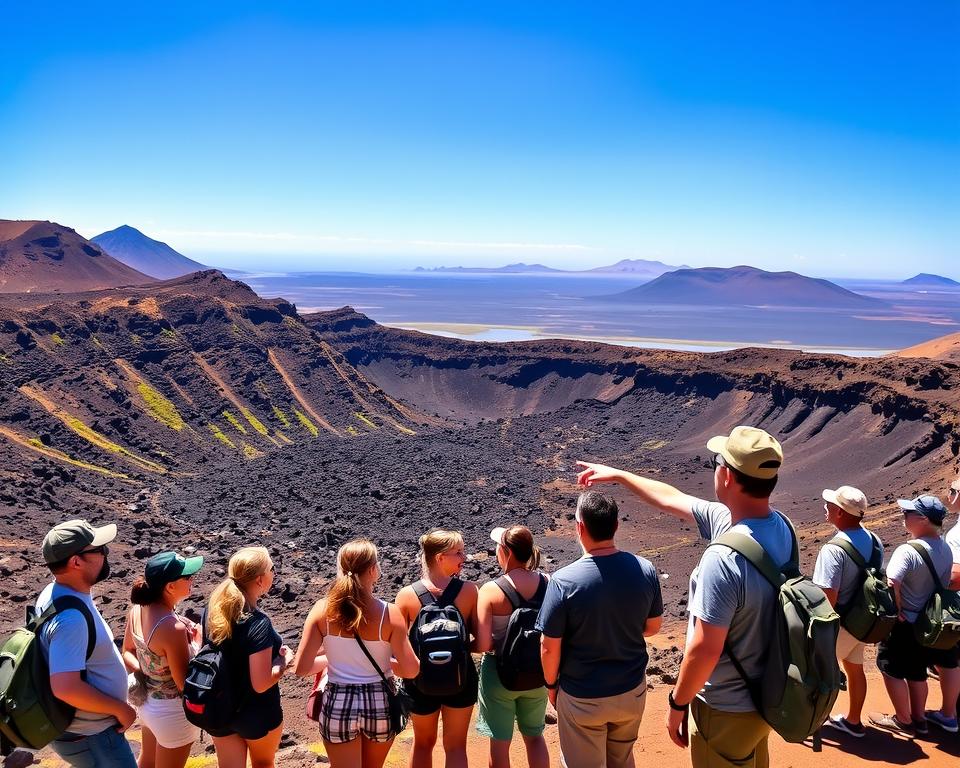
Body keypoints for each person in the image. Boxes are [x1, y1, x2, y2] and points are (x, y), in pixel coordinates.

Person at [578, 425, 790, 768]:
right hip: (768, 694)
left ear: (726, 476)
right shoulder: (781, 526)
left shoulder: (723, 558)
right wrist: (620, 476)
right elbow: (672, 497)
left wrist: (678, 703)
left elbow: (705, 648)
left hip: (725, 708)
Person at [537, 492, 663, 768]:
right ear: (616, 525)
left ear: (579, 527)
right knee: (622, 759)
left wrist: (551, 686)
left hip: (582, 694)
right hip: (631, 690)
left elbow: (549, 645)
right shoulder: (645, 569)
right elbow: (653, 627)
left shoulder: (562, 581)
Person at [293, 539, 419, 767]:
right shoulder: (389, 614)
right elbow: (411, 670)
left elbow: (301, 669)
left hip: (338, 700)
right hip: (379, 699)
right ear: (373, 570)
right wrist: (385, 664)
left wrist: (330, 658)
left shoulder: (322, 610)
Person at [37, 519, 138, 767]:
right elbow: (65, 687)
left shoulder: (56, 592)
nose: (106, 554)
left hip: (84, 731)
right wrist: (120, 709)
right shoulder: (70, 619)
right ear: (76, 561)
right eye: (99, 549)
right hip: (93, 736)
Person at [869, 495, 955, 737]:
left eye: (908, 513)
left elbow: (892, 581)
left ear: (923, 520)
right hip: (926, 624)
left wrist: (896, 611)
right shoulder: (945, 548)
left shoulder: (908, 550)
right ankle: (920, 719)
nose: (903, 516)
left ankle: (903, 720)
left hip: (904, 621)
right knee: (917, 671)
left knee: (889, 666)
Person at [395, 529, 479, 768]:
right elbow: (482, 642)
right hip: (460, 679)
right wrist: (459, 651)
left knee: (422, 743)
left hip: (420, 680)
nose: (464, 557)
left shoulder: (406, 596)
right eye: (458, 553)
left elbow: (398, 647)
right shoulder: (470, 591)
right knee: (455, 746)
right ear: (440, 557)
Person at [203, 546, 293, 768]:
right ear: (260, 580)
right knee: (263, 763)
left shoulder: (212, 610)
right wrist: (283, 662)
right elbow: (261, 683)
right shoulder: (258, 623)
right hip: (255, 713)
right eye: (272, 568)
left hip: (219, 708)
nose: (275, 572)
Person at [474, 525, 550, 768]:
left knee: (500, 743)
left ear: (505, 551)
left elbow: (484, 643)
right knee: (535, 737)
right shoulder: (549, 582)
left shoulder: (490, 590)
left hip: (500, 674)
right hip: (539, 672)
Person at [121, 552, 204, 768]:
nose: (192, 580)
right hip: (172, 715)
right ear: (169, 587)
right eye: (187, 577)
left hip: (148, 707)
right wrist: (198, 642)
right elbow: (184, 684)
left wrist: (149, 670)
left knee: (146, 763)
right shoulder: (172, 628)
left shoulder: (137, 610)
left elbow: (127, 652)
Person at [812, 486, 881, 738]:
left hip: (840, 625)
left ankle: (814, 720)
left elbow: (827, 596)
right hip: (864, 621)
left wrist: (816, 631)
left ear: (840, 512)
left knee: (818, 672)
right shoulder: (874, 540)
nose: (826, 508)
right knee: (855, 668)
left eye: (830, 505)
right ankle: (853, 721)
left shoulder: (833, 550)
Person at [924, 481, 960, 733]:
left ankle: (948, 715)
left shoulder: (957, 534)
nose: (948, 493)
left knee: (948, 661)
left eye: (953, 490)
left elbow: (956, 577)